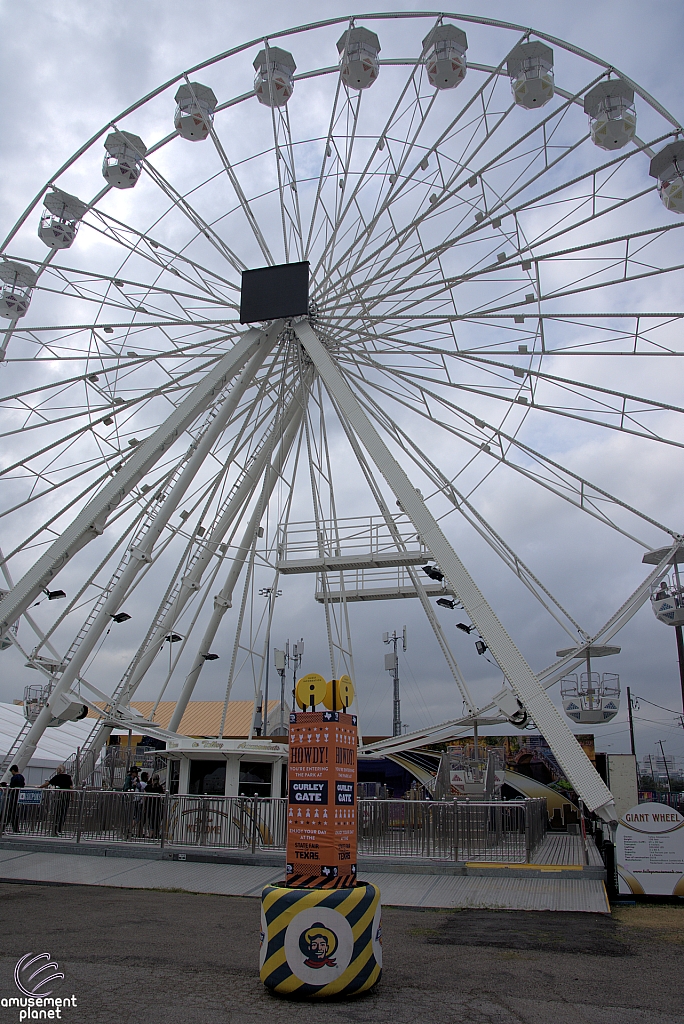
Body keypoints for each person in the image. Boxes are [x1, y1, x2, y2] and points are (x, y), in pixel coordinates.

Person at [40, 765, 73, 835]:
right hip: (66, 796)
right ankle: (60, 828)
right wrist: (72, 797)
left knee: (57, 812)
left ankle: (55, 828)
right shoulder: (68, 777)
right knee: (63, 813)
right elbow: (71, 787)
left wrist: (40, 786)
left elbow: (48, 783)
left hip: (58, 797)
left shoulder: (57, 777)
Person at [7, 765, 25, 833]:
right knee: (15, 813)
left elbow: (11, 786)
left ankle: (5, 826)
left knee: (10, 812)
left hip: (14, 796)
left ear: (13, 770)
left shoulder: (14, 777)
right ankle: (16, 828)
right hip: (19, 796)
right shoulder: (21, 777)